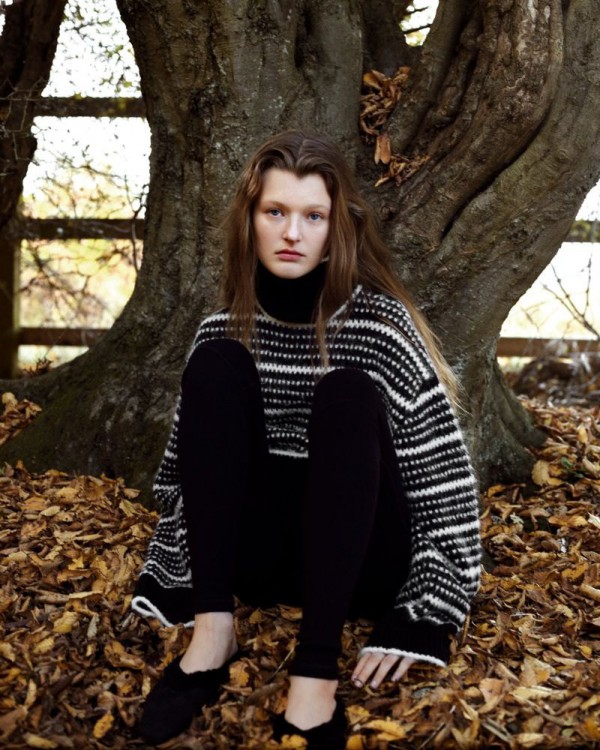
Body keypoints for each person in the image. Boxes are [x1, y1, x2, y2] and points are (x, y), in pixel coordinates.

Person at [131, 130, 481, 749]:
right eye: (276, 212)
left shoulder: (381, 327)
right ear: (250, 221)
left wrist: (424, 611)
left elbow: (445, 491)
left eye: (312, 216)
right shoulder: (222, 329)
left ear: (335, 228)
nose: (292, 233)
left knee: (346, 392)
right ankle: (212, 634)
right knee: (215, 363)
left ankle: (315, 672)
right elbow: (182, 481)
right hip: (255, 561)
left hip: (360, 563)